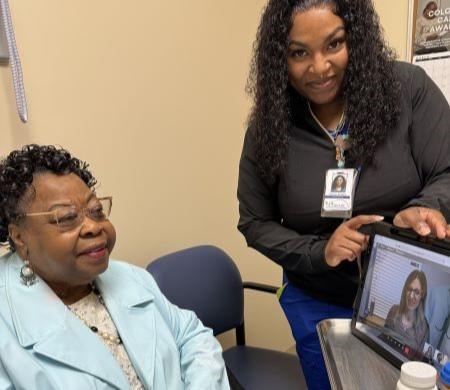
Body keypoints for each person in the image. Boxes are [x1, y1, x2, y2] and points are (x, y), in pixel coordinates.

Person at [237, 0, 450, 389]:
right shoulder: (269, 126)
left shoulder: (408, 91)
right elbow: (254, 222)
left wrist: (422, 208)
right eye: (298, 52)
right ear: (278, 58)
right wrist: (321, 251)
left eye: (334, 44)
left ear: (358, 38)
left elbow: (447, 171)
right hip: (315, 299)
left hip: (406, 302)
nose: (318, 68)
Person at [0, 145, 229, 390]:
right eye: (67, 217)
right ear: (20, 237)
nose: (93, 226)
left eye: (96, 210)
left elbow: (192, 336)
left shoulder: (130, 276)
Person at [384, 270, 429, 353]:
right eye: (409, 289)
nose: (411, 296)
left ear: (422, 295)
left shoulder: (424, 328)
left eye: (417, 292)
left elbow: (416, 360)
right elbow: (382, 339)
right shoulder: (393, 310)